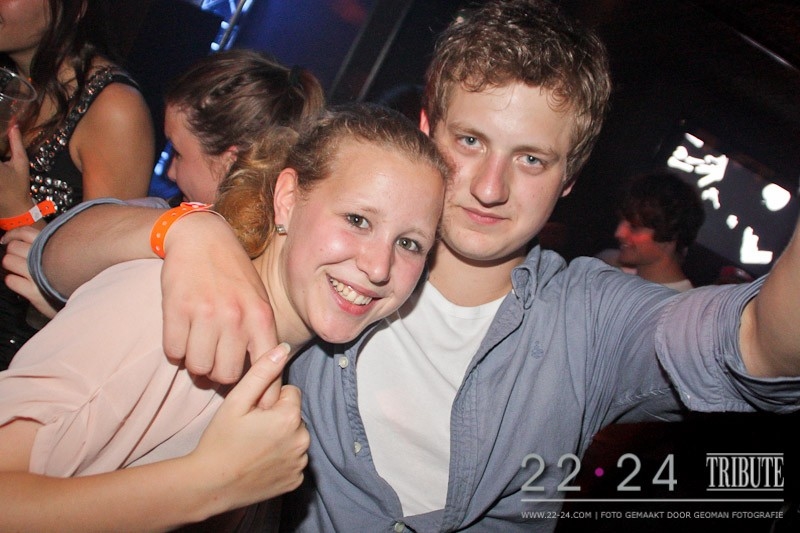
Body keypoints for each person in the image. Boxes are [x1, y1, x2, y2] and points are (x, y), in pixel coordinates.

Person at [25, 0, 800, 531]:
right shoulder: (339, 262)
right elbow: (55, 254)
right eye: (470, 141)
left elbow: (762, 343)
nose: (490, 187)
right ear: (427, 128)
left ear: (570, 177)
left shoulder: (590, 321)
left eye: (532, 159)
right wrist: (190, 231)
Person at [0, 103, 448, 531]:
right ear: (288, 199)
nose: (379, 267)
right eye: (357, 219)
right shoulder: (166, 311)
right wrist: (206, 485)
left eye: (409, 244)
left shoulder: (289, 367)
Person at [0, 48, 325, 322]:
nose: (169, 171)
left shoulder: (206, 261)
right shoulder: (168, 218)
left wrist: (64, 310)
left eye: (178, 153)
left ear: (230, 160)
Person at [0, 0, 155, 368]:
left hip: (20, 358)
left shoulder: (114, 109)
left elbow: (98, 295)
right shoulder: (11, 82)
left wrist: (19, 212)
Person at [599, 171, 706, 291]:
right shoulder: (609, 272)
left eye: (634, 227)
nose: (619, 233)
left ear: (669, 236)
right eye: (621, 221)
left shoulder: (682, 301)